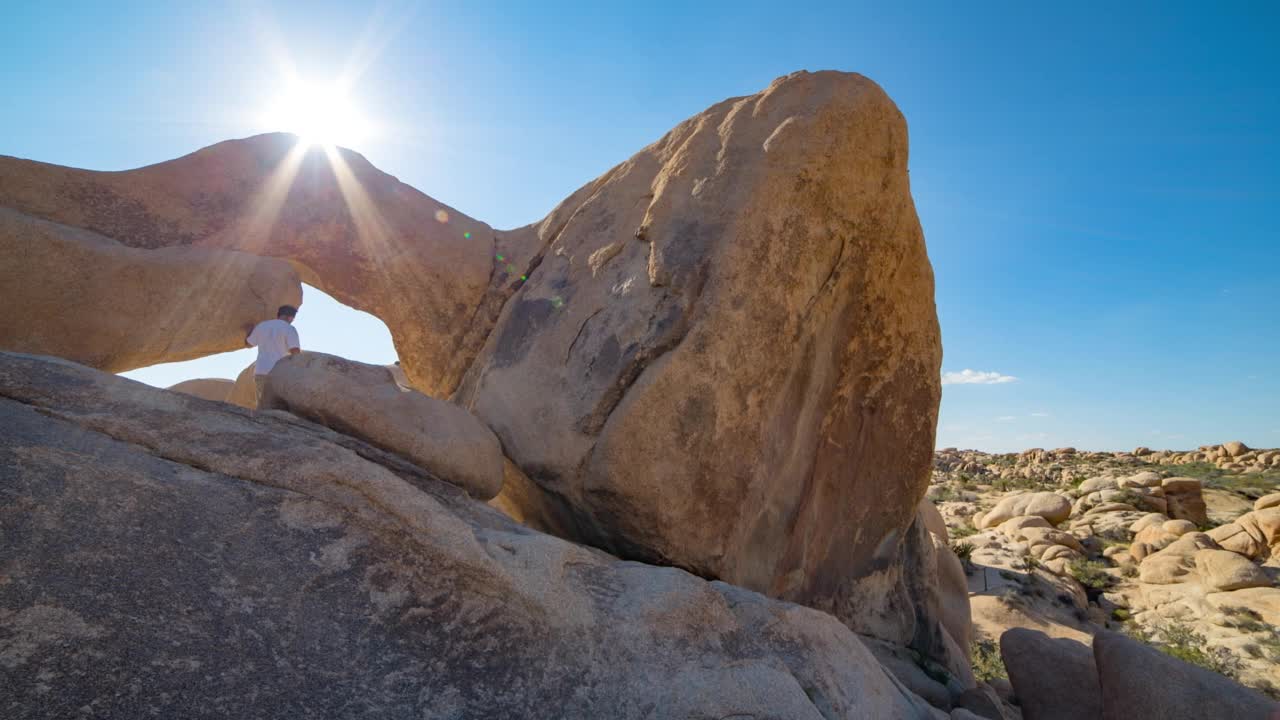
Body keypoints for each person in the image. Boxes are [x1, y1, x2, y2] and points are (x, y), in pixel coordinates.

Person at [245, 305, 301, 406]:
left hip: (261, 370)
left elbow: (249, 344)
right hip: (279, 372)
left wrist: (249, 330)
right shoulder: (289, 329)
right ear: (290, 317)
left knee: (262, 404)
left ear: (278, 314)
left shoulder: (262, 326)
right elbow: (295, 351)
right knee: (278, 406)